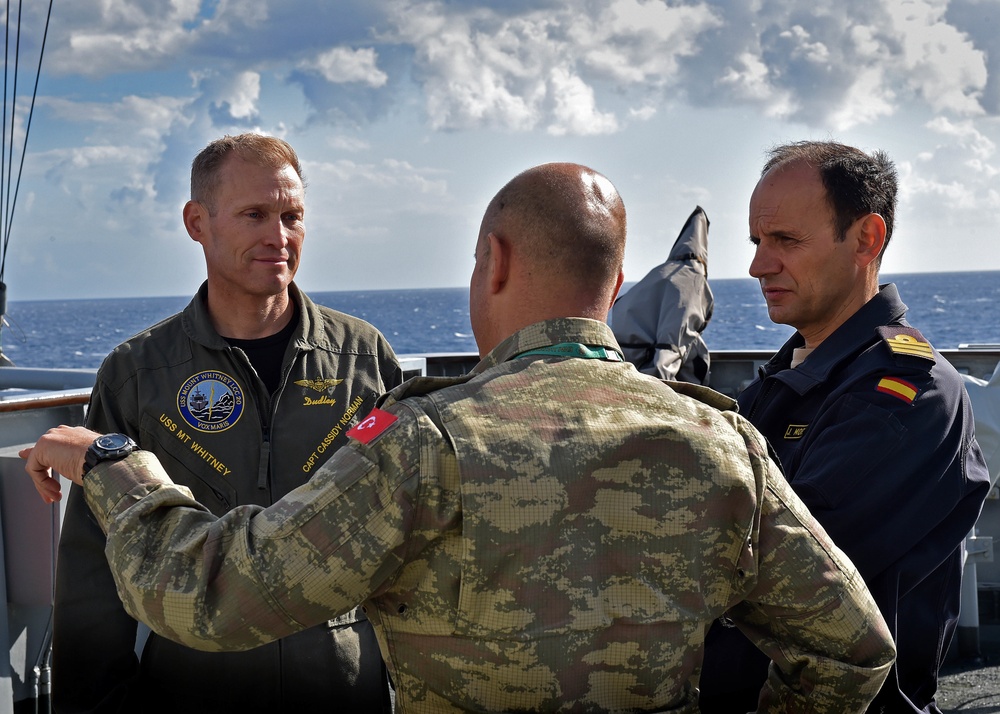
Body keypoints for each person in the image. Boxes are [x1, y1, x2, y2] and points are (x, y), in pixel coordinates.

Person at [26, 162, 895, 713]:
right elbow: (854, 648)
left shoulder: (426, 442)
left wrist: (111, 463)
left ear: (497, 262)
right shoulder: (722, 441)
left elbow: (209, 594)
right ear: (617, 281)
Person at [53, 133, 402, 713]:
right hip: (192, 687)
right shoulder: (138, 375)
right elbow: (95, 562)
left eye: (292, 216)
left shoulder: (362, 361)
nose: (279, 236)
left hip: (345, 689)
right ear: (197, 222)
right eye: (254, 215)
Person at [699, 141, 990, 714]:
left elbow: (777, 570)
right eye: (757, 242)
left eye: (786, 240)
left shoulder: (907, 396)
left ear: (866, 238)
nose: (758, 265)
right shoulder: (785, 383)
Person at [610, 205, 713, 384]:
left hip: (624, 369)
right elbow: (671, 345)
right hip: (650, 379)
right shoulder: (692, 281)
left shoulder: (658, 273)